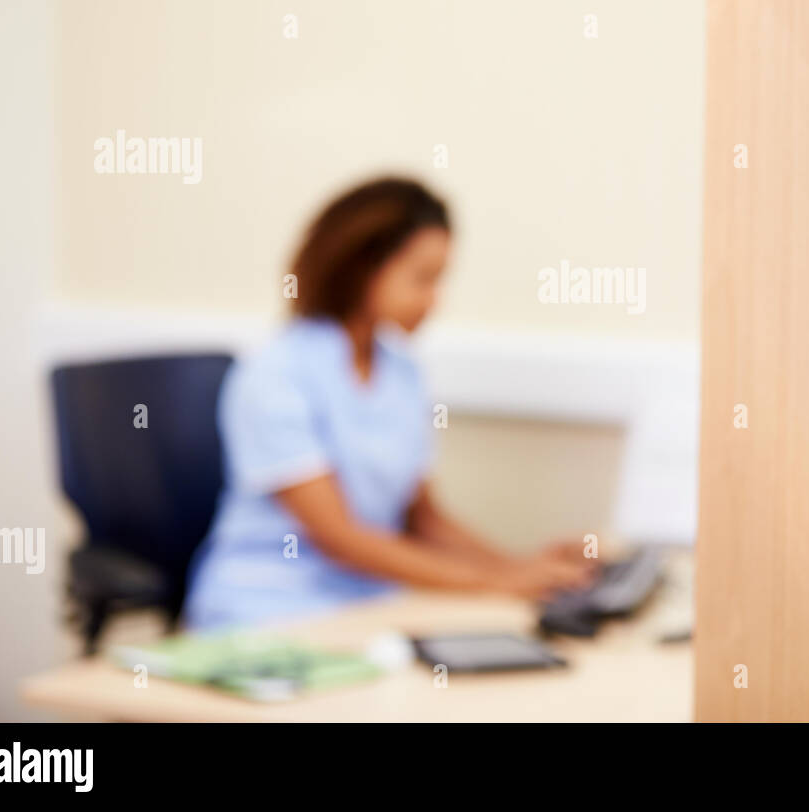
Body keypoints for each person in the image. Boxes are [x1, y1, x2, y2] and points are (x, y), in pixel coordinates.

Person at [184, 176, 593, 630]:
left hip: (371, 604)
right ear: (362, 268)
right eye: (422, 279)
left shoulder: (401, 369)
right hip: (267, 611)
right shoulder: (276, 372)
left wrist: (520, 570)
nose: (435, 301)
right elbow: (339, 538)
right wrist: (492, 583)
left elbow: (424, 520)